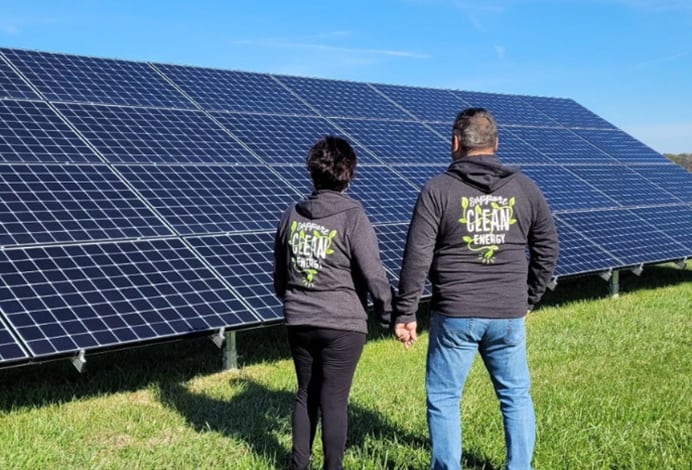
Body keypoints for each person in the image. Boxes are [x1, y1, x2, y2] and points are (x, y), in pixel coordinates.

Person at [393, 108, 559, 470]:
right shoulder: (524, 188)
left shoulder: (437, 190)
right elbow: (548, 248)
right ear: (496, 144)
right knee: (515, 396)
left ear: (455, 144)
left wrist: (406, 313)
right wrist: (529, 297)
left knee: (444, 398)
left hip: (455, 313)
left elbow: (416, 256)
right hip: (508, 314)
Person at [273, 135, 393, 470]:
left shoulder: (291, 216)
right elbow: (373, 272)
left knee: (305, 393)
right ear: (348, 174)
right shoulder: (353, 215)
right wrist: (388, 312)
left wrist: (294, 300)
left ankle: (299, 465)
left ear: (312, 171)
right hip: (342, 323)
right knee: (334, 400)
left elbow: (280, 276)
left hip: (299, 319)